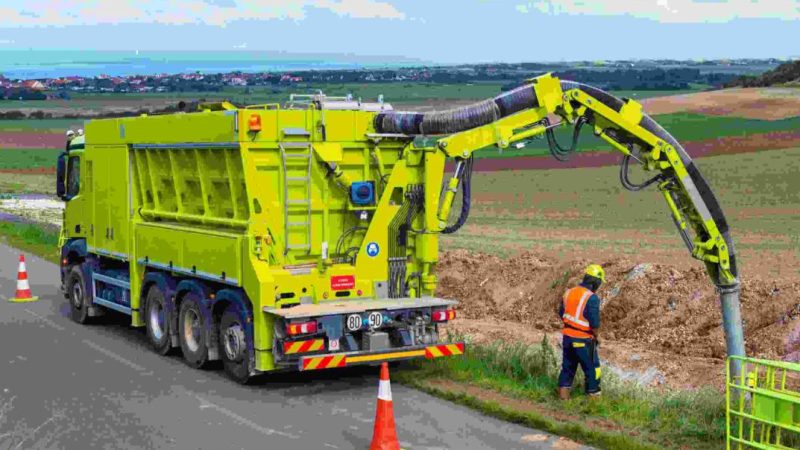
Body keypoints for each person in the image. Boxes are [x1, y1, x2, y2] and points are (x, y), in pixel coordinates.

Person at [557, 264, 604, 400]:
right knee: (593, 370)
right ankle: (593, 405)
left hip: (567, 337)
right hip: (583, 340)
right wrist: (597, 336)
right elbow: (594, 322)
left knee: (567, 369)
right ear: (596, 282)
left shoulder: (569, 292)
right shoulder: (592, 298)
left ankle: (563, 402)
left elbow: (562, 312)